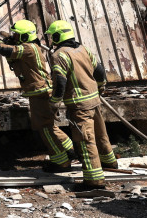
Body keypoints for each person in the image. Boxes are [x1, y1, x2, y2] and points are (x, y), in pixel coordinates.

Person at [45, 19, 116, 189]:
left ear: (57, 36)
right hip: (94, 100)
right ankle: (110, 163)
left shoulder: (59, 55)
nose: (50, 40)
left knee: (85, 141)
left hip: (79, 106)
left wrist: (54, 103)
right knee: (100, 134)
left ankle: (94, 181)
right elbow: (99, 70)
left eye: (51, 36)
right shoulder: (83, 48)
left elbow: (60, 83)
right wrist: (100, 87)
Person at [0, 20, 75, 172]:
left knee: (45, 127)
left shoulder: (28, 48)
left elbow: (4, 50)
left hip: (40, 92)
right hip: (38, 92)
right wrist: (10, 38)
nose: (15, 36)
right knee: (47, 126)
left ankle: (66, 155)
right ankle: (66, 155)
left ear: (25, 37)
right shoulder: (29, 47)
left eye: (18, 35)